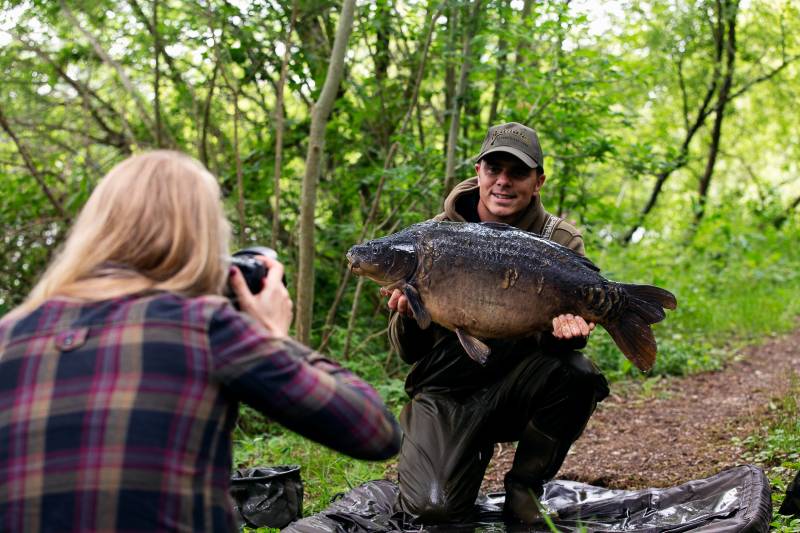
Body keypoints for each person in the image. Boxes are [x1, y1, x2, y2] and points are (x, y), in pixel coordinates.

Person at [0, 151, 401, 532]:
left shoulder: (9, 334)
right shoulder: (201, 326)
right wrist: (272, 337)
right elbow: (375, 431)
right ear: (203, 240)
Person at [384, 122, 610, 524]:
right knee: (431, 509)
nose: (503, 182)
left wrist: (568, 336)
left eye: (518, 172)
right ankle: (453, 455)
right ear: (478, 172)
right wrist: (406, 314)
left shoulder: (558, 239)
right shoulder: (433, 237)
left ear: (538, 181)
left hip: (517, 385)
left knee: (578, 375)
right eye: (494, 169)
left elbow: (559, 349)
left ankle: (524, 488)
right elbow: (408, 354)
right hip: (448, 391)